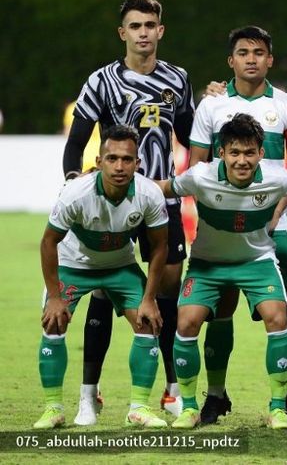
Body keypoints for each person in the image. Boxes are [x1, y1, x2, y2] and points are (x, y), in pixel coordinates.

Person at [62, 0, 195, 423]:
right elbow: (77, 140)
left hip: (163, 200)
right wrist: (73, 181)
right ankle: (89, 393)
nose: (143, 32)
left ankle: (172, 388)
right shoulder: (101, 81)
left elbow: (194, 137)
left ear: (161, 30)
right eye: (134, 26)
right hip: (114, 203)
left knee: (167, 291)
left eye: (150, 24)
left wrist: (192, 178)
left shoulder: (178, 79)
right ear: (123, 33)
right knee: (105, 288)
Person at [160, 113, 287, 429]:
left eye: (249, 153)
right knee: (186, 321)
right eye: (234, 152)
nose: (242, 160)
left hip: (256, 262)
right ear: (222, 152)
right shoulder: (200, 176)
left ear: (261, 153)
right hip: (207, 265)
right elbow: (163, 188)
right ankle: (189, 407)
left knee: (278, 316)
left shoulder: (277, 177)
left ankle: (278, 407)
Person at [189, 25, 287, 424]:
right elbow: (196, 167)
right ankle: (215, 395)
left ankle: (285, 396)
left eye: (259, 52)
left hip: (271, 227)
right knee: (218, 310)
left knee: (281, 312)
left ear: (270, 59)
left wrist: (277, 212)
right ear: (231, 61)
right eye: (243, 52)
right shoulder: (212, 105)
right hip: (222, 230)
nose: (252, 59)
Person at [35, 125, 168, 429]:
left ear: (138, 163)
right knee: (53, 322)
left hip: (120, 266)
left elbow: (160, 246)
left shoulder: (149, 194)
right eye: (112, 158)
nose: (119, 166)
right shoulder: (75, 194)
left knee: (148, 322)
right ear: (98, 161)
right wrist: (55, 297)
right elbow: (48, 242)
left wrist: (149, 299)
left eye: (126, 159)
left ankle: (138, 408)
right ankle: (53, 408)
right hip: (74, 266)